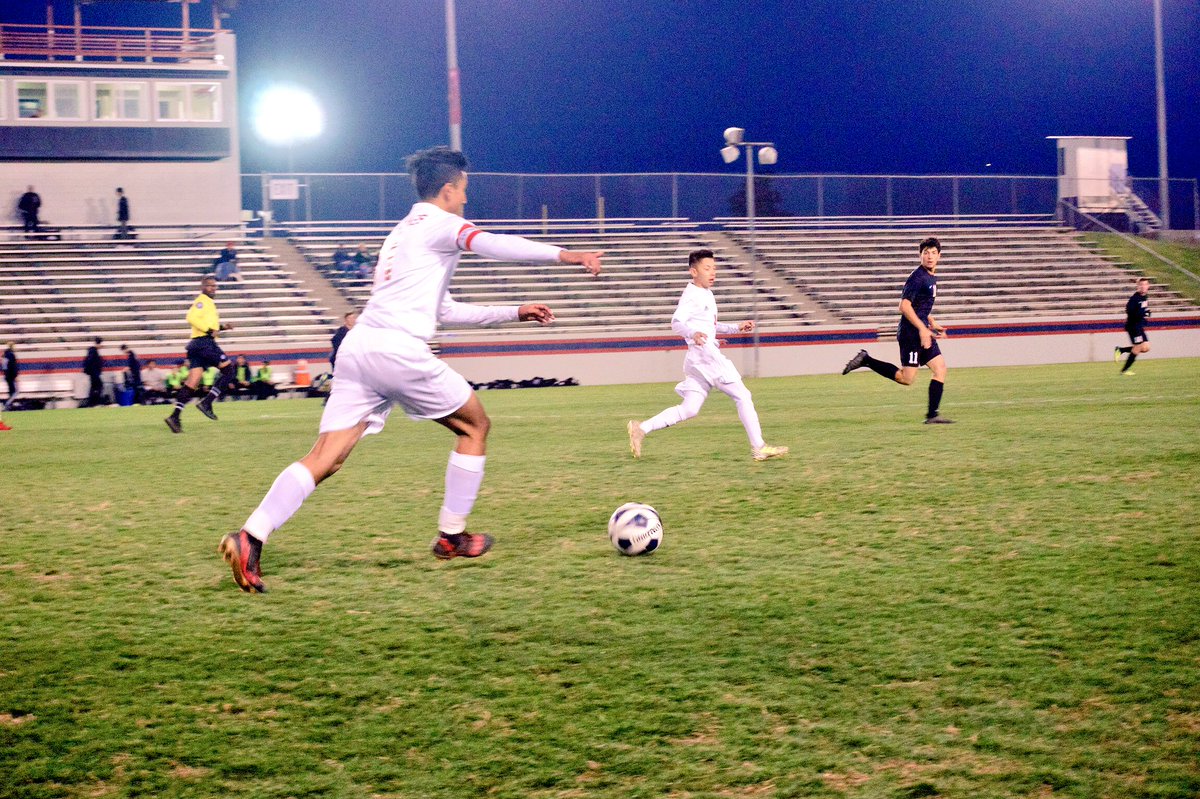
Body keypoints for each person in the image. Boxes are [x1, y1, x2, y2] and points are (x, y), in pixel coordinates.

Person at [217, 146, 603, 593]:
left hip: (360, 349)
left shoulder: (401, 233)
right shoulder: (443, 224)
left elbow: (445, 309)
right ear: (446, 190)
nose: (465, 200)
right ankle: (452, 537)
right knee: (474, 426)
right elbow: (493, 244)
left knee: (327, 456)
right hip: (398, 350)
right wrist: (567, 256)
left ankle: (250, 536)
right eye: (462, 191)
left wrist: (514, 310)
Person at [626, 249, 789, 462]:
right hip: (707, 357)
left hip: (697, 358)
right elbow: (676, 322)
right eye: (707, 268)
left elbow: (710, 325)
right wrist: (693, 333)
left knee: (690, 408)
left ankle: (641, 428)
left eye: (714, 268)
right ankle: (759, 447)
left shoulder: (706, 294)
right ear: (693, 271)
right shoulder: (692, 295)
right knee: (743, 396)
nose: (713, 272)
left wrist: (736, 327)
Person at [841, 236, 953, 424]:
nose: (930, 256)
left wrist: (931, 322)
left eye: (933, 253)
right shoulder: (918, 277)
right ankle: (866, 359)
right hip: (911, 333)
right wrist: (922, 329)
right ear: (920, 255)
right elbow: (904, 306)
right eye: (926, 253)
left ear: (939, 256)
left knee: (940, 368)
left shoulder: (931, 277)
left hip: (921, 330)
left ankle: (933, 415)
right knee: (906, 378)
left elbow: (920, 305)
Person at [164, 275, 237, 433]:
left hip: (196, 345)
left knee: (192, 383)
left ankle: (174, 417)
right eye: (210, 286)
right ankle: (207, 402)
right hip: (204, 343)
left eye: (215, 286)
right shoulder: (202, 300)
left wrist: (223, 327)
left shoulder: (209, 303)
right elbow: (191, 317)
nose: (213, 288)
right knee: (229, 370)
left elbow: (211, 325)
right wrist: (210, 330)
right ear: (203, 287)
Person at [1115, 278, 1151, 375]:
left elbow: (1145, 310)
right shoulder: (1135, 298)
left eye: (1145, 285)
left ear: (1148, 286)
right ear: (1138, 287)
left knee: (1146, 347)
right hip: (1133, 326)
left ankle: (1121, 350)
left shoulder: (1145, 297)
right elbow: (1129, 310)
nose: (1143, 287)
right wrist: (1140, 314)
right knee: (1138, 347)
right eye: (1141, 285)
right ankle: (1124, 370)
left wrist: (1147, 313)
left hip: (1139, 326)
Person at [82, 337, 105, 407]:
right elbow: (90, 362)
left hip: (94, 373)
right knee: (99, 386)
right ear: (99, 343)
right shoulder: (93, 351)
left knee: (94, 387)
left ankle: (92, 403)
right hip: (94, 373)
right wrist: (94, 372)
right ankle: (94, 402)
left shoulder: (93, 351)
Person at [2, 342, 18, 411]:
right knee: (15, 392)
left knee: (11, 391)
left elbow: (4, 366)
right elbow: (13, 366)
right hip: (11, 376)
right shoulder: (11, 355)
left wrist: (6, 374)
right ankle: (7, 404)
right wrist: (15, 375)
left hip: (7, 376)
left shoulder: (5, 355)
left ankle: (9, 405)